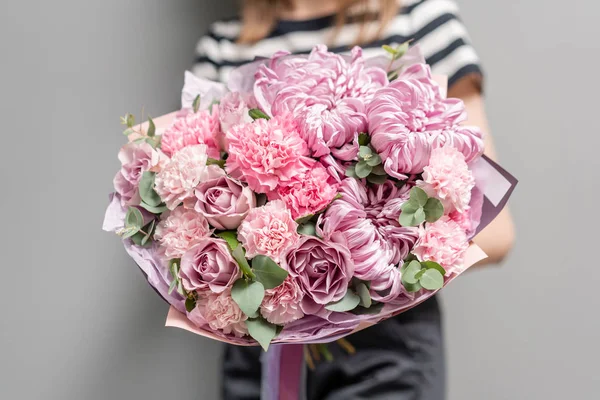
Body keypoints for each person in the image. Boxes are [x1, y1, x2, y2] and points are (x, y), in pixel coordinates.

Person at [192, 0, 515, 398]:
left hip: (385, 353)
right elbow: (195, 209)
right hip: (259, 355)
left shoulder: (418, 18)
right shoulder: (225, 45)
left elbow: (496, 232)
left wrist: (365, 278)